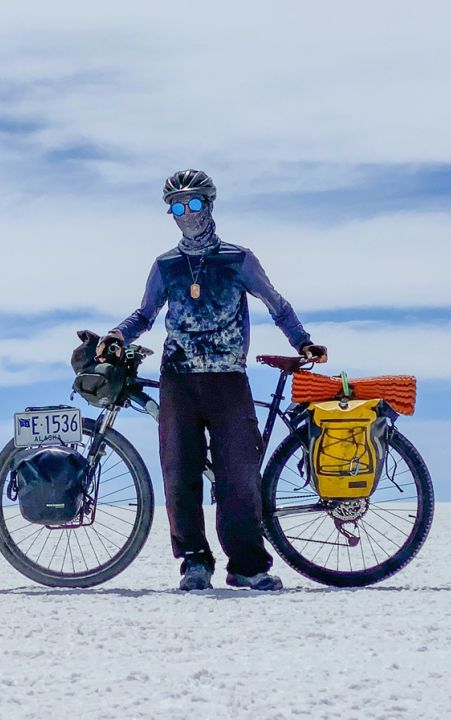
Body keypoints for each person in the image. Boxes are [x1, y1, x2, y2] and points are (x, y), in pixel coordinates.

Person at [97, 169, 327, 592]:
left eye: (195, 203)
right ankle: (194, 563)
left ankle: (247, 566)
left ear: (210, 204)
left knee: (238, 475)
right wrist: (117, 334)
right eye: (177, 207)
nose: (187, 214)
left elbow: (276, 304)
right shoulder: (166, 265)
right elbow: (145, 315)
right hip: (179, 380)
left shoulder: (238, 259)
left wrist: (303, 340)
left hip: (227, 380)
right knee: (179, 475)